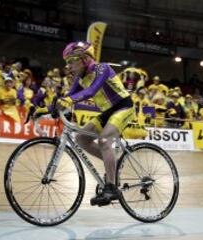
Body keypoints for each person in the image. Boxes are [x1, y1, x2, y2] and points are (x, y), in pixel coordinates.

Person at [36, 41, 134, 206]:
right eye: (67, 62)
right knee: (81, 138)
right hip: (108, 112)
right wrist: (42, 109)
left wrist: (69, 100)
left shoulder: (102, 68)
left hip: (123, 106)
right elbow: (68, 96)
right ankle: (112, 162)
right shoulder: (80, 78)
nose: (69, 66)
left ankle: (111, 187)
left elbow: (91, 91)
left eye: (71, 61)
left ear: (84, 59)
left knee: (104, 140)